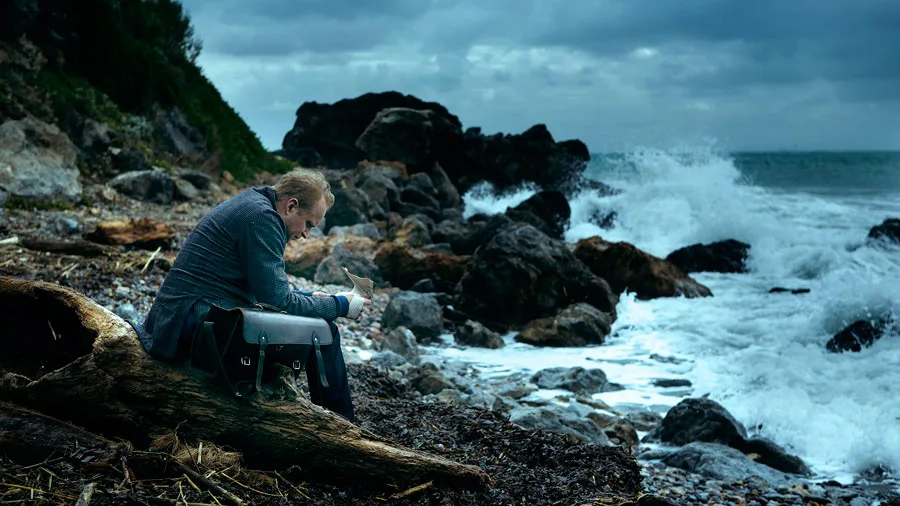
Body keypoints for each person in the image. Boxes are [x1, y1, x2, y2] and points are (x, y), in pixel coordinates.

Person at [136, 167, 369, 422]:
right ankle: (343, 425)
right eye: (309, 224)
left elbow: (267, 290)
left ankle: (335, 420)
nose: (306, 234)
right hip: (193, 323)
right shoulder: (263, 218)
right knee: (325, 332)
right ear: (291, 206)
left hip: (183, 316)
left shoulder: (254, 203)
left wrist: (313, 297)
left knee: (312, 323)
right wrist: (340, 305)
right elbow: (279, 301)